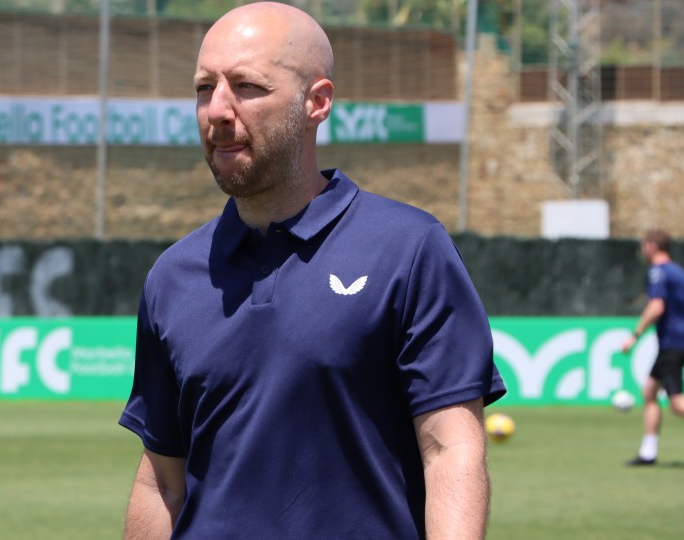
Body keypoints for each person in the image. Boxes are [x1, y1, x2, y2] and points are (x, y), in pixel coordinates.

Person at [118, 3, 507, 538]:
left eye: (248, 87)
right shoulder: (173, 275)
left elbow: (450, 449)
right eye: (205, 88)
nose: (218, 109)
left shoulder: (409, 248)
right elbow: (161, 480)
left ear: (317, 102)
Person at [621, 229, 684, 466]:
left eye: (644, 245)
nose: (642, 249)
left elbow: (657, 306)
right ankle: (648, 452)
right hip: (681, 342)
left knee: (678, 403)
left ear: (653, 246)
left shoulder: (658, 272)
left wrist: (635, 335)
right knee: (650, 391)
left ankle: (650, 451)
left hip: (671, 343)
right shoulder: (681, 274)